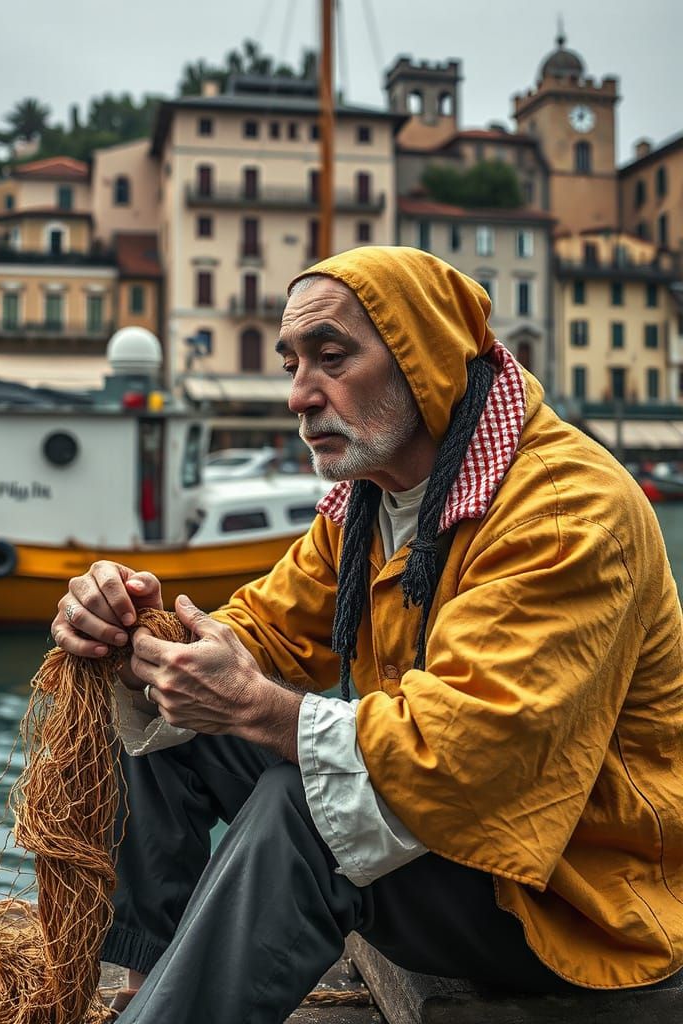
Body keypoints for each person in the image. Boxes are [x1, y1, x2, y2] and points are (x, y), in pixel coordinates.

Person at [51, 247, 683, 1023]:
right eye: (292, 363)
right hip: (463, 844)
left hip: (571, 901)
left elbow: (470, 757)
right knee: (172, 709)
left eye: (332, 357)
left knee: (303, 806)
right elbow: (261, 630)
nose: (298, 395)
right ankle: (148, 993)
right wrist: (136, 632)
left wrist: (258, 707)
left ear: (426, 358)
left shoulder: (565, 512)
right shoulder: (368, 507)